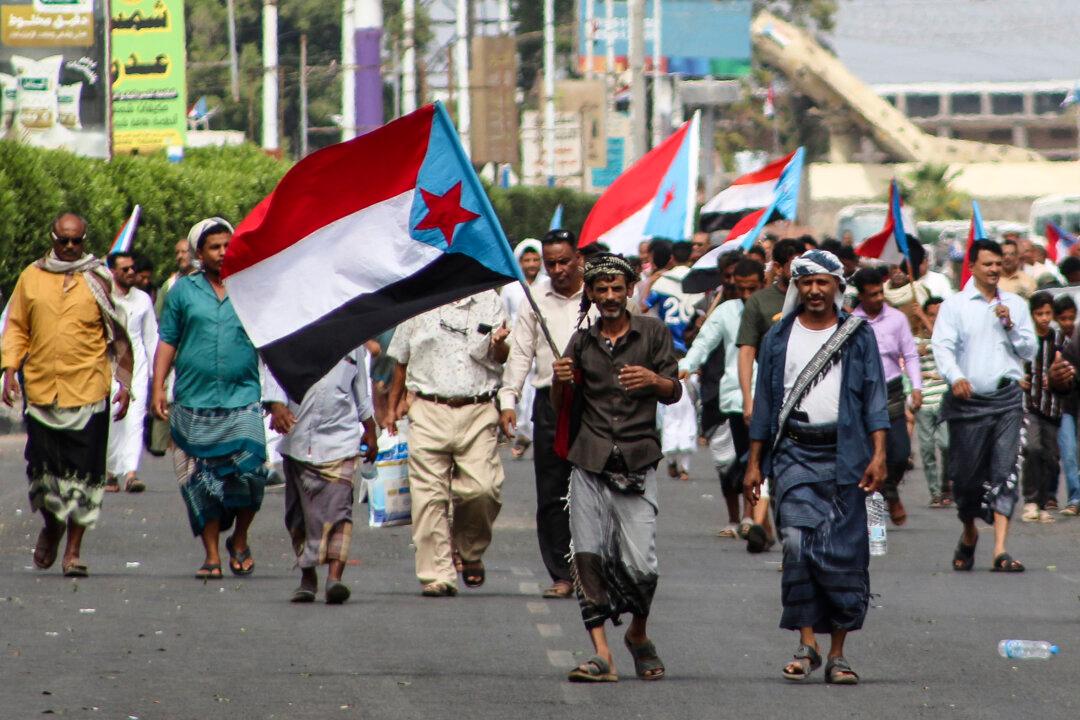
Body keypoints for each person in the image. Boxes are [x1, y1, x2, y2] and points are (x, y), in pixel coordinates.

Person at [743, 249, 888, 685]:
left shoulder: (858, 336)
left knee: (844, 556)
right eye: (806, 282)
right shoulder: (778, 338)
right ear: (796, 287)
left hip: (847, 458)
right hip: (793, 456)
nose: (815, 290)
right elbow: (766, 406)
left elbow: (875, 397)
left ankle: (838, 654)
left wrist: (879, 454)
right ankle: (807, 643)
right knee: (797, 544)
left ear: (838, 288)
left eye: (823, 282)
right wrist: (754, 463)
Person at [554, 253, 680, 683]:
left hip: (637, 459)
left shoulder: (653, 333)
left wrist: (653, 380)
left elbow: (674, 391)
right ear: (590, 293)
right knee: (587, 556)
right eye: (601, 289)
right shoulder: (581, 343)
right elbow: (561, 409)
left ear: (629, 290)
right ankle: (601, 655)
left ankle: (638, 635)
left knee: (642, 563)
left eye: (616, 289)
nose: (609, 296)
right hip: (589, 462)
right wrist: (560, 380)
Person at [2, 212, 133, 577]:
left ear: (85, 240)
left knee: (85, 476)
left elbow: (118, 332)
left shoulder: (98, 278)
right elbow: (16, 326)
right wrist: (10, 368)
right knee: (42, 474)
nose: (71, 247)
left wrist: (125, 382)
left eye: (77, 241)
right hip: (43, 390)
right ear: (53, 239)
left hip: (89, 389)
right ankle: (52, 525)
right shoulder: (31, 277)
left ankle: (73, 551)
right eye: (64, 241)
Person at [152, 218, 267, 580]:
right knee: (199, 481)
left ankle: (241, 537)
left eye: (227, 246)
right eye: (214, 247)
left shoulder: (251, 286)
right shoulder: (182, 293)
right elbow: (168, 340)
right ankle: (213, 554)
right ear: (199, 253)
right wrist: (158, 387)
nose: (222, 253)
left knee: (252, 471)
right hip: (193, 401)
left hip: (243, 397)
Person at [386, 291, 509, 597]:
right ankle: (437, 573)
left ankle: (468, 550)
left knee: (483, 490)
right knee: (428, 498)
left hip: (478, 409)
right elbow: (401, 361)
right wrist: (392, 405)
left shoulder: (489, 301)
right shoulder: (419, 300)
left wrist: (499, 344)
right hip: (428, 408)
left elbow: (503, 355)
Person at [932, 239, 1042, 573]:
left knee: (1005, 472)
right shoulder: (956, 305)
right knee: (965, 481)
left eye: (998, 263)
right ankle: (969, 533)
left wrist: (1009, 324)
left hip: (1007, 400)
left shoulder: (1016, 305)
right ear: (973, 266)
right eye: (988, 264)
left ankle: (1000, 549)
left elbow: (1029, 350)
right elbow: (942, 347)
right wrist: (955, 377)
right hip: (967, 404)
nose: (995, 269)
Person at [500, 229, 587, 599]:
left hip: (596, 405)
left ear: (578, 258)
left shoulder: (601, 296)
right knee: (552, 493)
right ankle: (562, 574)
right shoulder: (534, 300)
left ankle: (594, 572)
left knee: (597, 491)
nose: (557, 269)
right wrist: (508, 399)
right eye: (550, 263)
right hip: (550, 403)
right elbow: (520, 353)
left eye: (563, 261)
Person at [264, 348, 378, 604]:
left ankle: (334, 578)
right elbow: (275, 367)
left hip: (341, 438)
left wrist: (369, 427)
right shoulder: (293, 330)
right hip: (297, 436)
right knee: (298, 517)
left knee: (340, 509)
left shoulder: (353, 338)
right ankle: (307, 577)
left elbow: (361, 384)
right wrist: (276, 405)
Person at [680, 258, 764, 537]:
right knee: (729, 464)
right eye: (741, 289)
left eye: (752, 289)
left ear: (763, 284)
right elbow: (704, 343)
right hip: (731, 400)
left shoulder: (776, 311)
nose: (746, 295)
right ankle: (733, 517)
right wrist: (685, 366)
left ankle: (751, 519)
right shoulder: (726, 312)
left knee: (755, 459)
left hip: (765, 399)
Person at [736, 238, 804, 552]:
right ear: (777, 267)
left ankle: (770, 525)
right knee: (765, 462)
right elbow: (747, 353)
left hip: (811, 404)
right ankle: (766, 524)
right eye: (794, 263)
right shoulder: (760, 303)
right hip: (771, 399)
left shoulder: (818, 300)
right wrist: (749, 400)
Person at [851, 268, 922, 526]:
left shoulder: (897, 319)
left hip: (892, 389)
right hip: (861, 394)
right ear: (861, 296)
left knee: (901, 452)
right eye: (872, 295)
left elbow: (911, 354)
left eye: (881, 292)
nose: (879, 298)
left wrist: (917, 387)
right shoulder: (850, 322)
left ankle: (889, 488)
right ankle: (874, 515)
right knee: (869, 455)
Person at [642, 241, 703, 481]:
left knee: (668, 408)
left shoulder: (663, 282)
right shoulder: (699, 284)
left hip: (665, 352)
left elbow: (644, 307)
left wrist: (649, 282)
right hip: (690, 352)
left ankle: (670, 458)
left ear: (670, 259)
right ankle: (685, 465)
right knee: (687, 409)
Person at [104, 251, 158, 493]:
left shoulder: (143, 300)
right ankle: (110, 472)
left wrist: (159, 377)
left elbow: (151, 339)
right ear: (113, 272)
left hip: (137, 368)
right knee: (113, 418)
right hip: (110, 366)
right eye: (124, 269)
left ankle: (131, 474)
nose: (130, 273)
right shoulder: (105, 298)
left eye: (132, 268)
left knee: (135, 419)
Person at [1020, 293, 1066, 523]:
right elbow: (1012, 361)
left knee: (1051, 456)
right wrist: (1018, 378)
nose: (1044, 318)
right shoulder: (1025, 338)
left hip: (1054, 405)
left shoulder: (1059, 338)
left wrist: (1060, 376)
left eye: (1048, 313)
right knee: (1033, 448)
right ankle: (1030, 500)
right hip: (1030, 404)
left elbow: (1068, 364)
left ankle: (1044, 500)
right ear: (1032, 315)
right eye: (1039, 314)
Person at [915, 297, 951, 508]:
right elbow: (903, 369)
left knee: (946, 445)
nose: (935, 319)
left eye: (939, 315)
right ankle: (935, 492)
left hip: (944, 400)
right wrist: (923, 371)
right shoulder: (913, 341)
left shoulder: (946, 339)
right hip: (924, 402)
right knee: (927, 449)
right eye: (931, 315)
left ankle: (946, 484)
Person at [1054, 295, 1080, 516]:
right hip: (1062, 406)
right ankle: (1074, 498)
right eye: (1063, 318)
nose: (1068, 323)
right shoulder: (1050, 340)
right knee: (1068, 452)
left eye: (1072, 318)